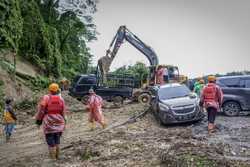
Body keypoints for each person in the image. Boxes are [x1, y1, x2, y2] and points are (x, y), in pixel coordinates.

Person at [35, 83, 66, 160]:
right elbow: (63, 112)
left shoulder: (46, 98)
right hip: (59, 122)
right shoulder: (61, 99)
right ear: (58, 90)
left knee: (51, 143)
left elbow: (41, 111)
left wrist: (38, 121)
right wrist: (64, 122)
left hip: (49, 123)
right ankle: (57, 157)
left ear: (50, 90)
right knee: (57, 141)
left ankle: (53, 159)